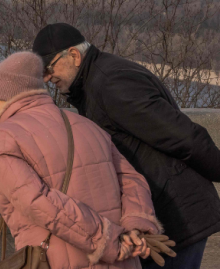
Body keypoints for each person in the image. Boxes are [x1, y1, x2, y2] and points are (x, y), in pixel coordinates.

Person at [33, 23, 220, 269]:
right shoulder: (95, 83)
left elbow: (182, 136)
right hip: (164, 217)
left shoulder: (110, 84)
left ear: (75, 56)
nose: (47, 78)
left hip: (177, 217)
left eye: (49, 67)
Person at [0, 51, 161, 268]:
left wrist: (106, 239)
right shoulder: (86, 124)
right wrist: (136, 227)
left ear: (6, 98)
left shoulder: (3, 137)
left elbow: (38, 202)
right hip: (122, 261)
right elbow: (132, 179)